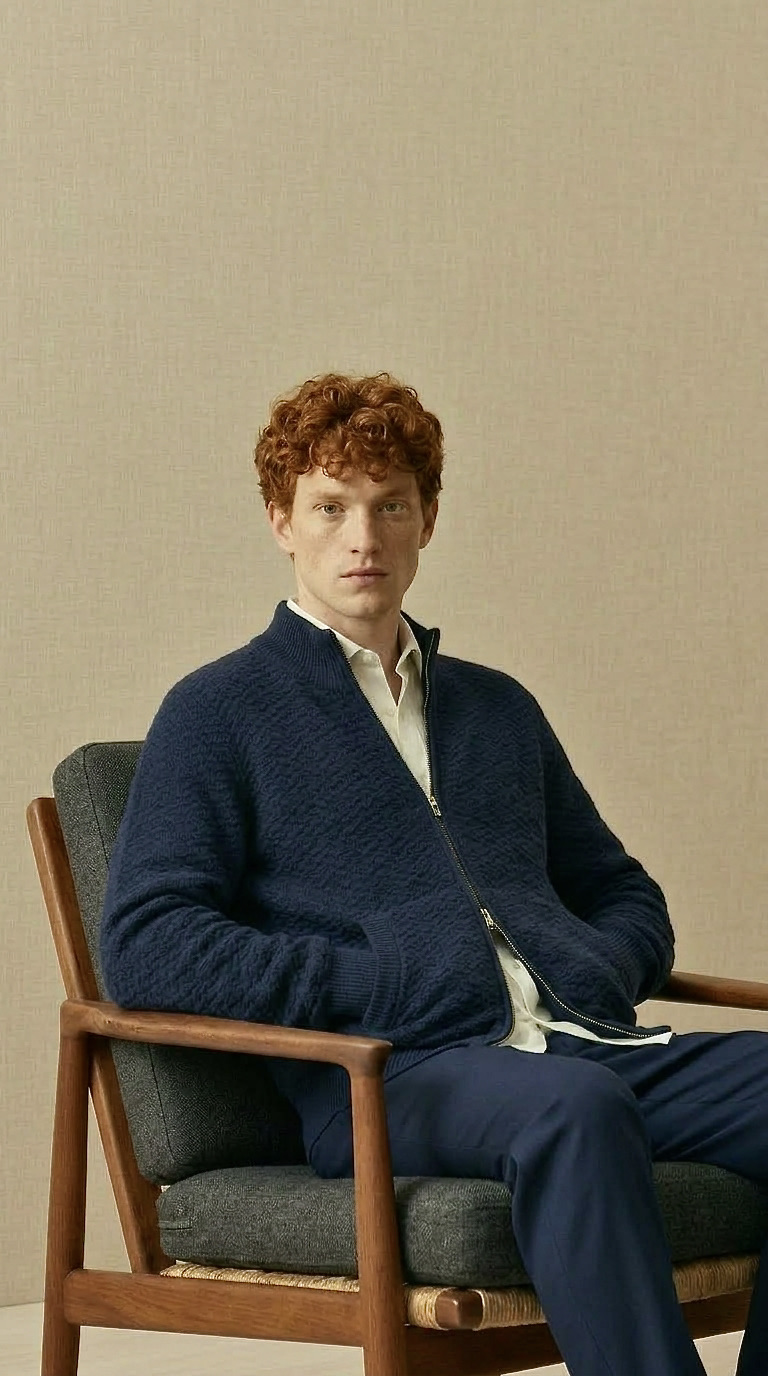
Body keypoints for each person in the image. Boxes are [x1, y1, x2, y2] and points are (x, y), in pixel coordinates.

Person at [101, 372, 768, 1376]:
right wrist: (379, 982)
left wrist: (590, 963)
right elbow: (147, 943)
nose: (362, 537)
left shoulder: (497, 709)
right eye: (330, 507)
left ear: (427, 521)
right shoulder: (217, 713)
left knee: (608, 1090)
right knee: (576, 1109)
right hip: (387, 1077)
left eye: (390, 506)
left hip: (581, 1042)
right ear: (282, 522)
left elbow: (624, 892)